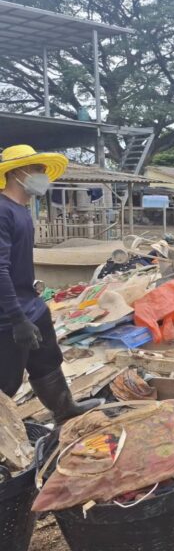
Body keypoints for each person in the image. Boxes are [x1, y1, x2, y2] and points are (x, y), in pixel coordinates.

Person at [0, 145, 103, 422]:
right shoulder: (2, 211)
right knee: (6, 382)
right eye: (37, 169)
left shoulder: (21, 210)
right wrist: (17, 318)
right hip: (8, 316)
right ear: (16, 172)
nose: (42, 176)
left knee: (47, 361)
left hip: (31, 306)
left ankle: (65, 411)